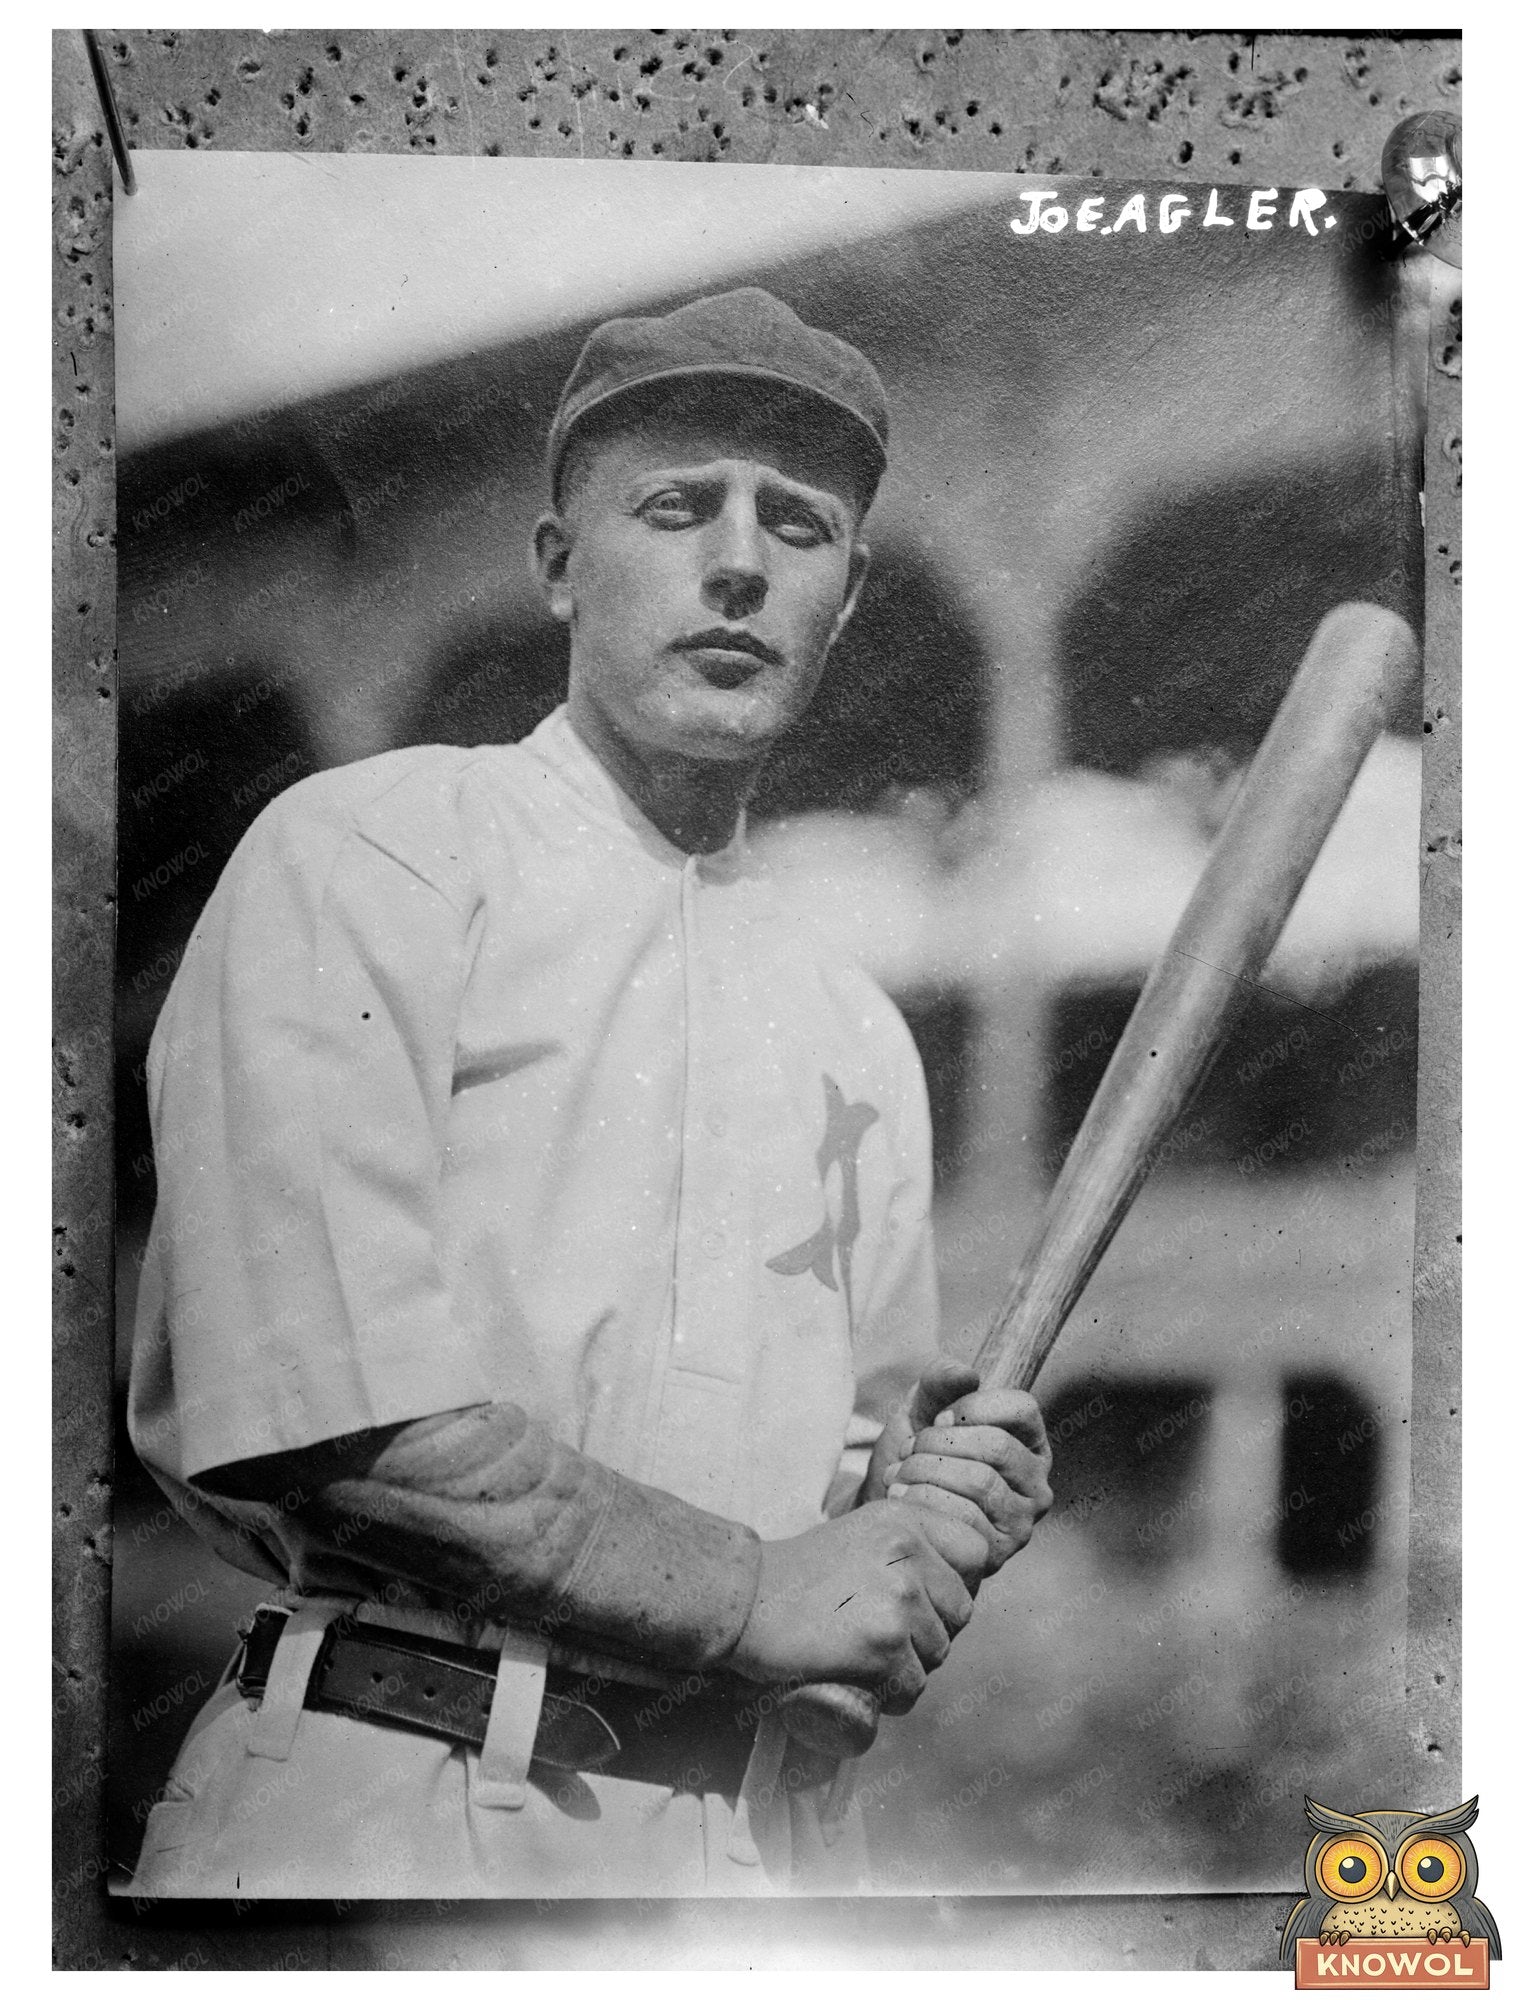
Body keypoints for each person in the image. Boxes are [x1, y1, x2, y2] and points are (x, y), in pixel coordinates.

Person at [126, 287, 1054, 1900]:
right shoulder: (375, 853)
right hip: (392, 1792)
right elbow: (338, 1425)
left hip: (748, 1864)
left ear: (843, 597)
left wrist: (927, 1515)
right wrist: (757, 1594)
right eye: (677, 507)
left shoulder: (855, 1026)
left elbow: (842, 1568)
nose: (740, 564)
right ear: (560, 564)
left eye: (799, 526)